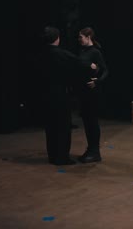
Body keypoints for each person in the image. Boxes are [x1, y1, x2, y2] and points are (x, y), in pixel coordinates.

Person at [40, 26, 96, 165]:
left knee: (50, 126)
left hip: (45, 94)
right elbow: (78, 63)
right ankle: (62, 157)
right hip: (59, 93)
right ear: (57, 38)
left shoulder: (41, 53)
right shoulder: (61, 53)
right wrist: (92, 66)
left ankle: (52, 156)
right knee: (63, 126)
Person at [75, 27, 109, 163]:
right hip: (83, 92)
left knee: (92, 122)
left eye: (81, 37)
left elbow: (106, 70)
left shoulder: (95, 52)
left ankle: (95, 151)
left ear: (88, 37)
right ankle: (90, 149)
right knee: (87, 122)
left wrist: (98, 81)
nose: (79, 39)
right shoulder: (82, 51)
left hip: (92, 92)